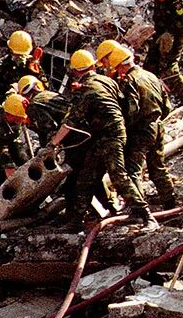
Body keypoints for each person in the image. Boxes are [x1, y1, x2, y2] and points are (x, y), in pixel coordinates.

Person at [53, 49, 154, 229]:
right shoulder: (107, 80)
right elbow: (123, 102)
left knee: (118, 175)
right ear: (92, 66)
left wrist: (53, 144)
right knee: (87, 176)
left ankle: (146, 216)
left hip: (110, 136)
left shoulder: (86, 90)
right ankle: (76, 221)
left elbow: (70, 122)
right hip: (108, 135)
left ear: (75, 71)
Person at [97, 40, 179, 210]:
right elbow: (167, 107)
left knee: (132, 170)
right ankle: (171, 203)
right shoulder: (151, 76)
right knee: (157, 167)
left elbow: (131, 112)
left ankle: (137, 209)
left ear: (118, 65)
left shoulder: (130, 81)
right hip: (157, 127)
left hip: (141, 130)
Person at [0, 30, 41, 106]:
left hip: (29, 104)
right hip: (8, 105)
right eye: (17, 55)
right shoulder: (1, 65)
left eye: (22, 55)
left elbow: (42, 86)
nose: (20, 57)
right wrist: (9, 96)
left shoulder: (32, 65)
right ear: (10, 50)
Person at [17, 75, 66, 145]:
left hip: (68, 134)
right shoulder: (51, 94)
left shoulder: (33, 105)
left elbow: (49, 127)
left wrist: (46, 145)